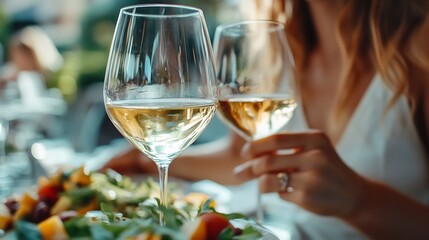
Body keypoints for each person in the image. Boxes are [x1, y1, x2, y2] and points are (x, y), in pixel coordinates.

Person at [104, 0, 429, 239]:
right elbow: (242, 157)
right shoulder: (280, 46)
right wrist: (144, 159)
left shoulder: (420, 46)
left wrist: (360, 200)